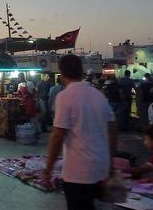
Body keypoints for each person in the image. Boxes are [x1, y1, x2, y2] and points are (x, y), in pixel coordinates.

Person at [43, 54, 117, 210]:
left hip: (79, 171)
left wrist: (48, 169)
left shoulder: (64, 97)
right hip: (101, 167)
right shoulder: (99, 95)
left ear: (61, 73)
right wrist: (110, 162)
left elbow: (58, 136)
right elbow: (113, 130)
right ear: (82, 71)